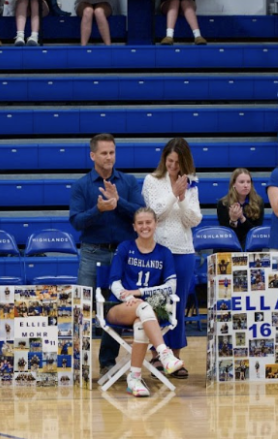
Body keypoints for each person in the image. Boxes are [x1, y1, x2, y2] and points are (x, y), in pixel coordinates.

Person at [70, 133, 144, 374]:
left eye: (112, 152)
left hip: (122, 255)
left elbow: (141, 214)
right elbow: (76, 221)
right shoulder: (81, 185)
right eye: (104, 153)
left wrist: (118, 201)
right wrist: (98, 209)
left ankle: (107, 363)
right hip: (92, 253)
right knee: (81, 309)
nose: (109, 157)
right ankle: (76, 364)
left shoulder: (129, 182)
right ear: (93, 155)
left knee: (116, 308)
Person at [104, 208, 185, 397]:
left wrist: (140, 292)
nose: (144, 226)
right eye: (140, 223)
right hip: (122, 305)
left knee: (142, 320)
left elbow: (171, 287)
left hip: (153, 308)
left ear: (155, 224)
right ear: (134, 226)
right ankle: (165, 353)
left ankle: (134, 378)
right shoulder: (125, 248)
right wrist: (129, 297)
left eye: (148, 222)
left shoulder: (164, 252)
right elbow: (114, 282)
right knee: (143, 307)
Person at [142, 137, 202, 375]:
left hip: (184, 252)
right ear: (164, 158)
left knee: (178, 305)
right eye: (170, 161)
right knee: (157, 305)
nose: (173, 167)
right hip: (157, 251)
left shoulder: (191, 183)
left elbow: (193, 219)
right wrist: (172, 195)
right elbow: (152, 214)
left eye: (178, 163)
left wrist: (182, 198)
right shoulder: (151, 180)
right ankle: (157, 355)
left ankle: (176, 358)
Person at [216, 167, 264, 246]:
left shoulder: (258, 203)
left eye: (248, 182)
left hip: (251, 247)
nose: (246, 185)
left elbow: (256, 234)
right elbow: (225, 236)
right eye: (242, 182)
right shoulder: (223, 204)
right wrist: (233, 220)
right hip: (228, 247)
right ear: (234, 184)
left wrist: (242, 218)